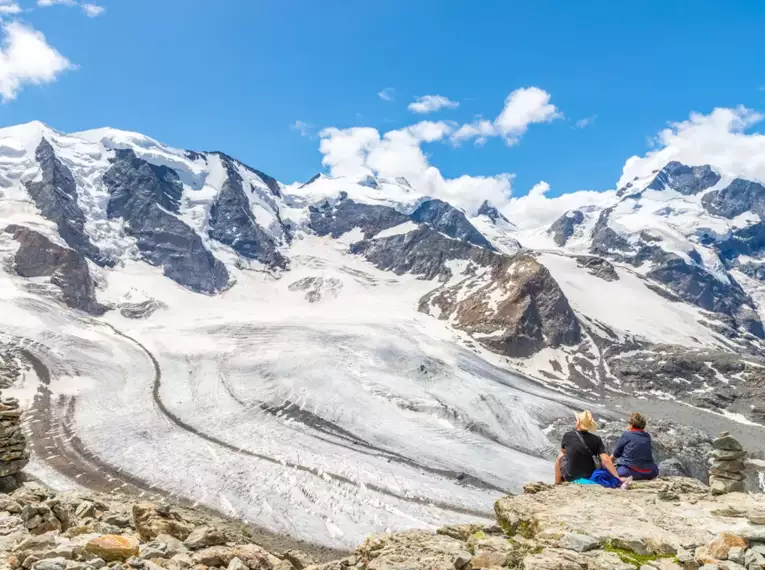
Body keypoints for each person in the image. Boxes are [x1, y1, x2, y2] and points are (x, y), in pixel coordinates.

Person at [555, 410, 624, 485]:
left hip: (570, 477)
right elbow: (606, 459)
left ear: (578, 422)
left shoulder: (567, 435)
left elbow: (564, 452)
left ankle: (557, 483)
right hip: (590, 476)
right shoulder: (597, 439)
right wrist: (618, 477)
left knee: (560, 456)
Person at [611, 412, 659, 480]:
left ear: (631, 425)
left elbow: (616, 453)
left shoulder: (627, 435)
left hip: (628, 472)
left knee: (616, 471)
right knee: (655, 469)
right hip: (649, 472)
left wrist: (608, 463)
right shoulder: (647, 436)